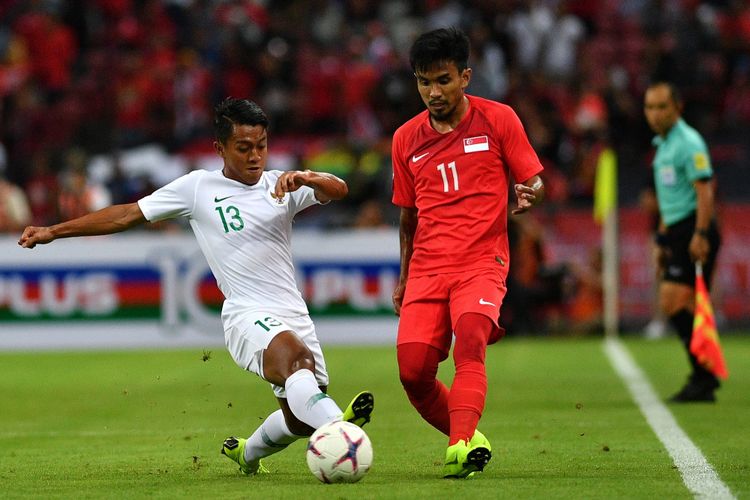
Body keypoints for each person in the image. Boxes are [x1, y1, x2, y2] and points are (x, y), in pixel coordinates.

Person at [18, 97, 374, 474]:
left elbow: (339, 190)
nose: (256, 157)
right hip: (246, 314)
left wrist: (309, 177)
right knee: (297, 363)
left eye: (262, 146)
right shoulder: (198, 187)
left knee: (300, 420)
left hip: (293, 312)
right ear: (219, 148)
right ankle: (342, 431)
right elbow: (127, 214)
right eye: (244, 148)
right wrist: (54, 231)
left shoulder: (280, 185)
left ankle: (247, 454)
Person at [391, 28, 545, 479]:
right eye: (423, 82)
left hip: (482, 262)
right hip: (426, 268)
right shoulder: (405, 139)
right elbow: (407, 217)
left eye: (442, 80)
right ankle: (469, 439)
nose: (433, 92)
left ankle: (459, 448)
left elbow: (535, 178)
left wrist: (531, 192)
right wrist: (404, 276)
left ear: (465, 77)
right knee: (413, 372)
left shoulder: (499, 120)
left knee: (471, 342)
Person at [643, 81, 722, 402]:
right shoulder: (663, 146)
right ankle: (704, 376)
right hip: (676, 230)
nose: (655, 114)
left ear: (678, 107)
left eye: (662, 106)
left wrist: (700, 234)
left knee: (673, 301)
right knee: (682, 304)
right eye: (650, 107)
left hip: (693, 229)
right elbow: (669, 199)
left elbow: (705, 191)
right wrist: (663, 239)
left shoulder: (689, 142)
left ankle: (703, 376)